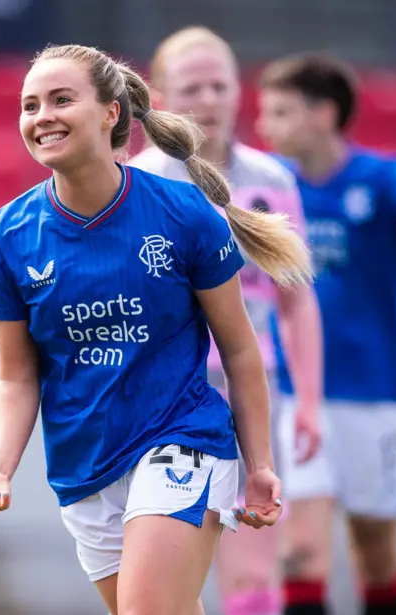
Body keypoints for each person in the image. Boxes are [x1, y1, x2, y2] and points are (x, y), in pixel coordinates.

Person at [0, 43, 313, 615]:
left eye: (61, 99)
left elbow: (242, 350)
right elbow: (16, 378)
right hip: (83, 467)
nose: (41, 116)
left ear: (110, 113)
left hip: (182, 439)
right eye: (29, 105)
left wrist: (261, 463)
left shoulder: (184, 212)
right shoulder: (7, 235)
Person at [129, 27, 323, 615]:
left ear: (241, 91)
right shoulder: (137, 185)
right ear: (159, 94)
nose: (209, 100)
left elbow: (297, 302)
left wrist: (309, 401)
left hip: (249, 398)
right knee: (160, 588)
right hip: (163, 407)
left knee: (254, 581)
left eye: (220, 85)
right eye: (193, 87)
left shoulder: (273, 183)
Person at [256, 52, 396, 615]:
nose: (265, 126)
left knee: (376, 554)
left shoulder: (382, 177)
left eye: (280, 112)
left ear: (323, 113)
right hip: (300, 397)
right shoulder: (271, 184)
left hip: (374, 397)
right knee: (301, 552)